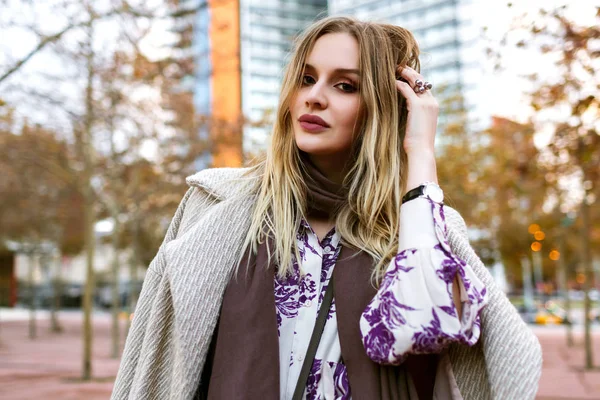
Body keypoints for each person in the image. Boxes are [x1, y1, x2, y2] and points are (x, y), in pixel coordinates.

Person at [111, 16, 542, 400]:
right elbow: (154, 364)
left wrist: (420, 152)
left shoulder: (418, 226)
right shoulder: (215, 207)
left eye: (345, 85)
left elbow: (423, 327)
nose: (315, 97)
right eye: (306, 78)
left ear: (382, 109)